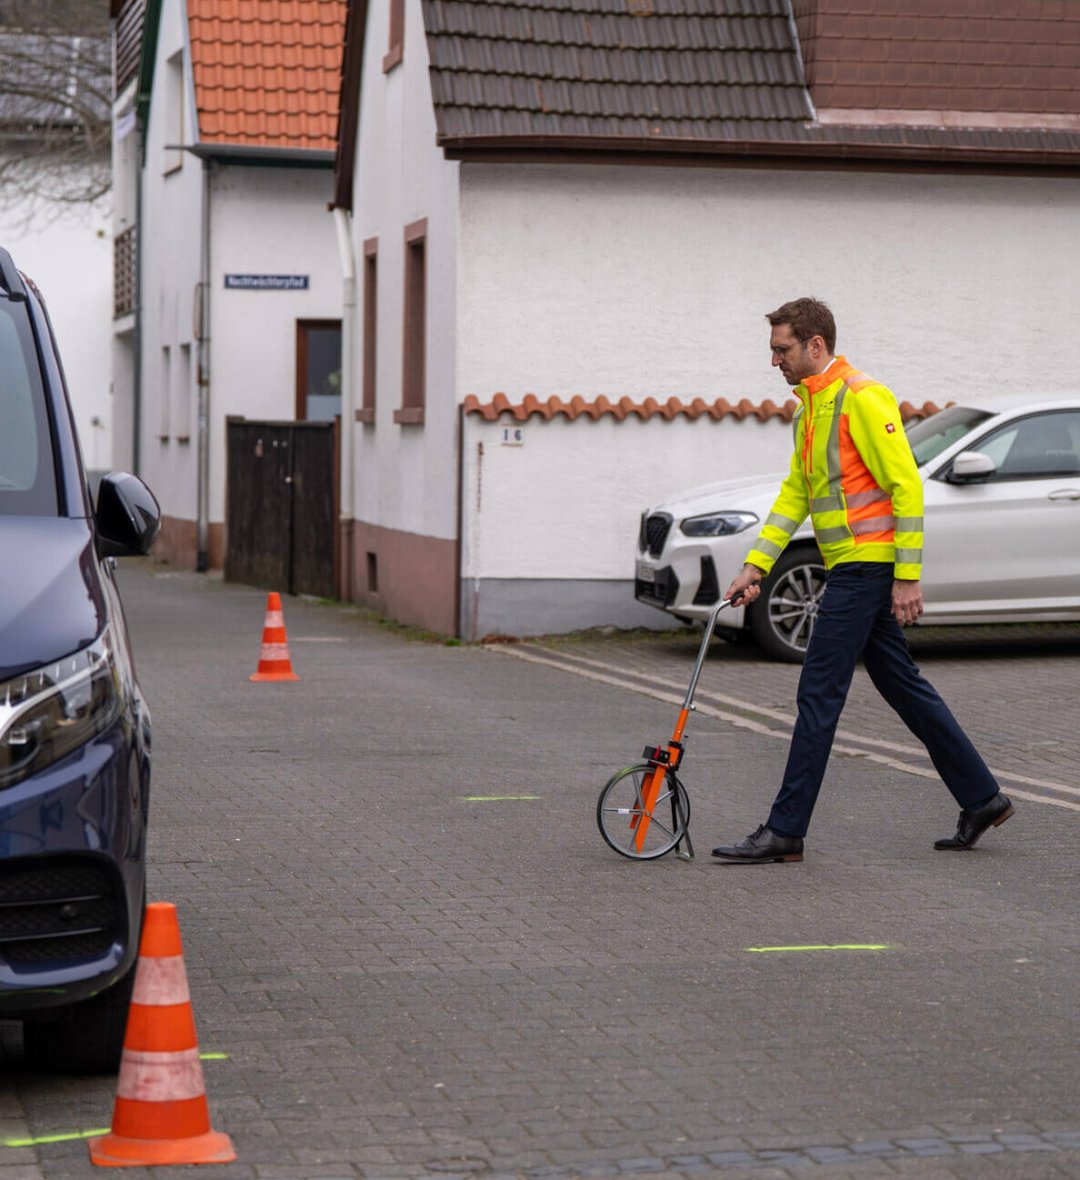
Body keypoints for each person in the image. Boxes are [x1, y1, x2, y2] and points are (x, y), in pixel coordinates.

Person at [712, 298, 1013, 864]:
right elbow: (796, 495)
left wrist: (907, 576)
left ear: (815, 346)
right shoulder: (810, 409)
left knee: (818, 692)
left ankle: (785, 830)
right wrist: (757, 564)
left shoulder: (863, 398)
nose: (774, 360)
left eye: (783, 349)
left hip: (868, 567)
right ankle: (982, 798)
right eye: (774, 350)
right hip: (849, 565)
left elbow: (907, 488)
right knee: (901, 683)